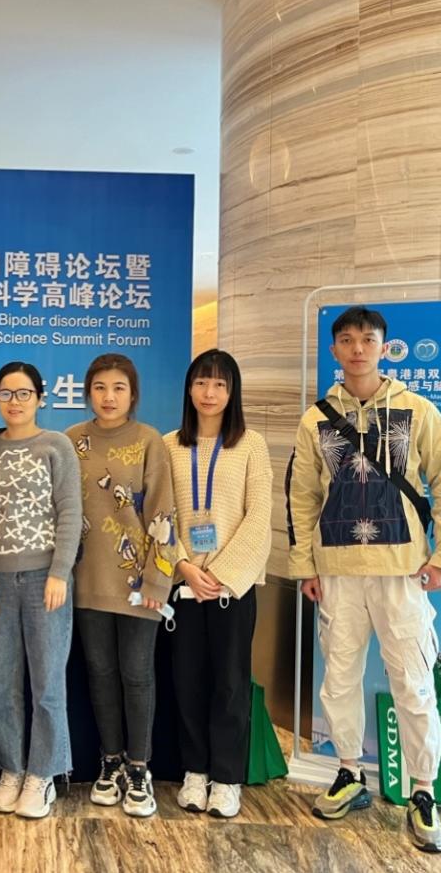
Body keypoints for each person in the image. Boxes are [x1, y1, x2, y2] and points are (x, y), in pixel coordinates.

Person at [287, 305, 441, 854]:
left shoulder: (417, 409)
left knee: (413, 681)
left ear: (384, 348)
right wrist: (305, 565)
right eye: (347, 339)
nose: (358, 348)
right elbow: (301, 495)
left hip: (401, 571)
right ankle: (348, 771)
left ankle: (423, 789)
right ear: (334, 350)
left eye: (368, 339)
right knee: (339, 678)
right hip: (337, 571)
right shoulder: (316, 419)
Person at [65, 352, 179, 819]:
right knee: (100, 673)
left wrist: (158, 578)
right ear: (88, 392)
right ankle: (110, 761)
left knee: (136, 674)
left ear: (133, 395)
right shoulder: (71, 440)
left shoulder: (149, 440)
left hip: (138, 584)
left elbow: (164, 512)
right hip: (86, 579)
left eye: (118, 388)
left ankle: (139, 767)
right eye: (99, 387)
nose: (108, 397)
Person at [163, 349, 271, 820]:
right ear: (189, 389)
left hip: (232, 587)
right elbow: (158, 515)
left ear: (233, 392)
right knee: (187, 680)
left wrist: (224, 574)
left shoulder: (251, 445)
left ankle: (226, 779)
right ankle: (195, 771)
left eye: (220, 384)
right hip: (184, 585)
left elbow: (259, 516)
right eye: (201, 383)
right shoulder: (168, 445)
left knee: (229, 682)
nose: (210, 393)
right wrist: (184, 565)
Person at [0, 362, 81, 819]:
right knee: (0, 684)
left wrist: (60, 572)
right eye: (6, 393)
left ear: (41, 398)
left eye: (24, 393)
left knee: (46, 685)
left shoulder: (56, 445)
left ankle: (43, 774)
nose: (14, 402)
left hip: (46, 579)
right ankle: (12, 769)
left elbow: (70, 512)